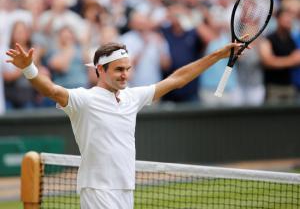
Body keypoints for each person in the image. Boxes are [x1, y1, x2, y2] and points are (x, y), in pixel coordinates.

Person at [6, 41, 243, 208]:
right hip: (97, 190)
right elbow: (51, 89)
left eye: (127, 69)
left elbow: (176, 79)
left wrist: (219, 55)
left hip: (125, 189)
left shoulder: (132, 97)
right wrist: (29, 68)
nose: (125, 75)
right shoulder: (83, 99)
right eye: (119, 69)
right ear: (100, 69)